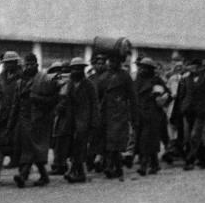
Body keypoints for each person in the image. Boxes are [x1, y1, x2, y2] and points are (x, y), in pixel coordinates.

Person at [10, 54, 59, 188]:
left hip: (39, 120)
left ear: (37, 65)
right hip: (24, 120)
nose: (28, 67)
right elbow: (15, 104)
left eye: (31, 64)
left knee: (32, 149)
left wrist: (36, 98)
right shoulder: (20, 82)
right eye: (26, 65)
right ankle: (43, 176)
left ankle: (24, 175)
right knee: (30, 149)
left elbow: (54, 100)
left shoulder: (45, 79)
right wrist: (11, 123)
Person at [96, 52, 135, 180]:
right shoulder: (103, 77)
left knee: (115, 141)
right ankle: (117, 168)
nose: (112, 64)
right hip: (106, 112)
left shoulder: (125, 76)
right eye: (111, 61)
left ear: (119, 62)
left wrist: (133, 114)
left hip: (120, 112)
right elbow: (98, 95)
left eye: (115, 62)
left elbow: (132, 96)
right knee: (110, 141)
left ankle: (109, 166)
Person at [59, 57, 98, 183]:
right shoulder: (69, 84)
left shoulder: (89, 85)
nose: (76, 71)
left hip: (84, 120)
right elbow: (65, 100)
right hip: (71, 120)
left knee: (80, 147)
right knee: (73, 147)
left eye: (79, 68)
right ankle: (78, 172)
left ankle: (76, 172)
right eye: (74, 69)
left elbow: (94, 105)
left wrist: (93, 122)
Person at [0, 52, 21, 185]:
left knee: (20, 145)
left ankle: (24, 173)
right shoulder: (2, 76)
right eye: (6, 63)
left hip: (18, 115)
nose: (7, 65)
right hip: (3, 115)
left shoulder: (22, 77)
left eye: (10, 62)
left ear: (16, 63)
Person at [132, 58, 168, 176]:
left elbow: (167, 94)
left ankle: (143, 165)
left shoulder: (156, 80)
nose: (142, 69)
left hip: (153, 114)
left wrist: (160, 98)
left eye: (145, 67)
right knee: (146, 140)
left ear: (150, 69)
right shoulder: (137, 80)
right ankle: (155, 164)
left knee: (146, 140)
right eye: (141, 67)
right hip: (139, 114)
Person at [178, 58, 205, 170]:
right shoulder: (185, 80)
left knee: (195, 135)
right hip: (188, 111)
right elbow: (181, 96)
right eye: (191, 66)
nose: (192, 69)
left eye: (195, 67)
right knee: (189, 136)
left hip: (201, 112)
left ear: (200, 68)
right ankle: (203, 158)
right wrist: (181, 109)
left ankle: (190, 160)